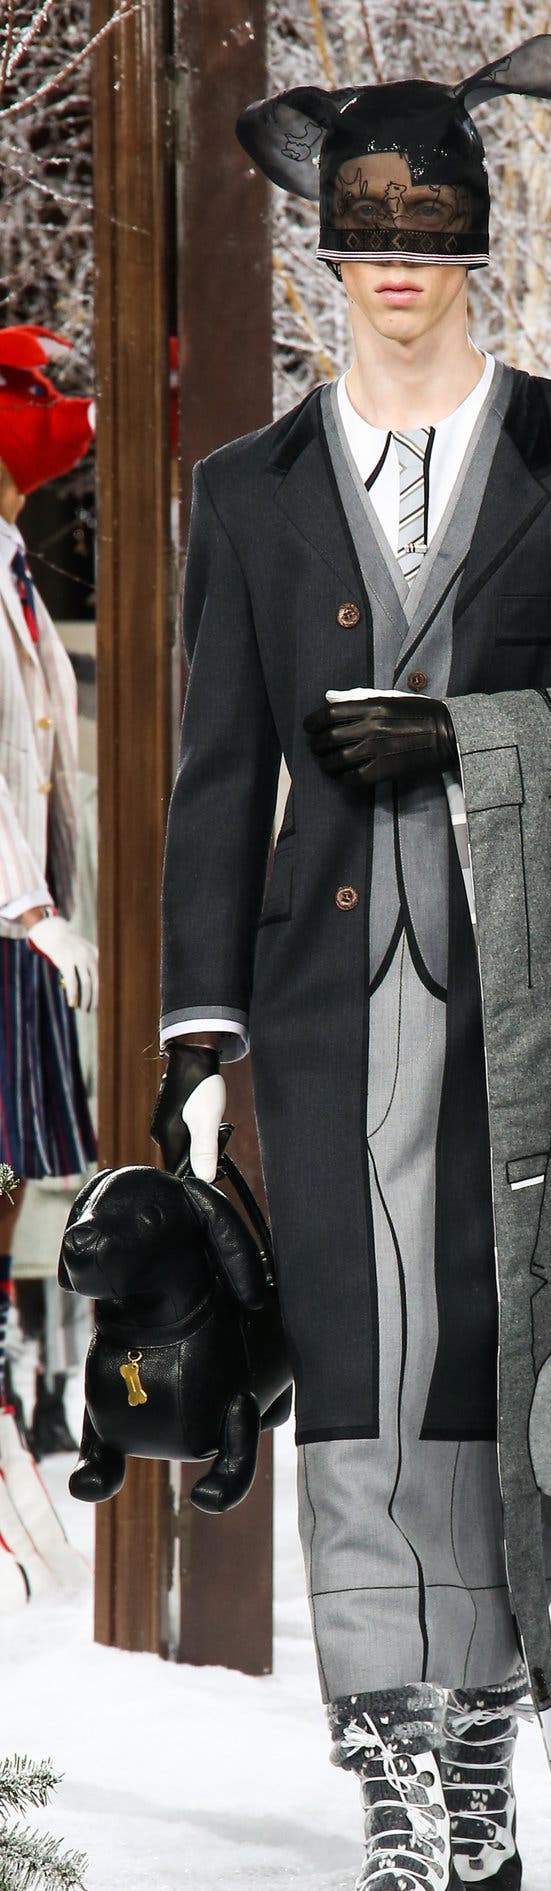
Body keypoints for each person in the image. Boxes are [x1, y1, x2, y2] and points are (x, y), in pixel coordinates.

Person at [152, 35, 551, 1891]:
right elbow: (218, 770)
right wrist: (199, 1032)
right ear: (328, 248)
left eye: (430, 233)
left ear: (477, 242)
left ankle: (480, 1707)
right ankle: (392, 1783)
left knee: (495, 1369)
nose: (398, 266)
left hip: (535, 995)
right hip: (324, 1000)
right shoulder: (250, 493)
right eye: (366, 234)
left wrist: (472, 742)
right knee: (362, 1376)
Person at [0, 326, 97, 1439]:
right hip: (11, 916)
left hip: (24, 919)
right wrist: (31, 908)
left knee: (14, 1161)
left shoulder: (14, 564)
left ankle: (13, 1361)